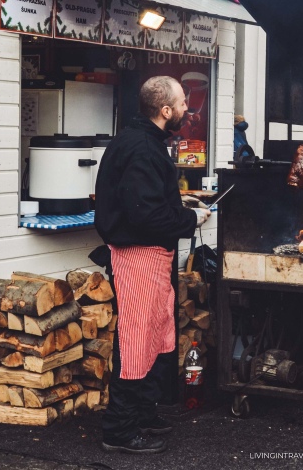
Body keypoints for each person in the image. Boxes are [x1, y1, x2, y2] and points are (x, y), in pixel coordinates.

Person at [95, 76, 211, 455]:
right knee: (135, 341)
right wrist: (190, 219)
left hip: (149, 255)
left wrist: (180, 207)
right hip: (137, 256)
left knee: (154, 336)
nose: (186, 109)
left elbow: (146, 202)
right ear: (165, 110)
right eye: (182, 104)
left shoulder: (141, 141)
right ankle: (119, 430)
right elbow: (143, 215)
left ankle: (142, 413)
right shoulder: (143, 149)